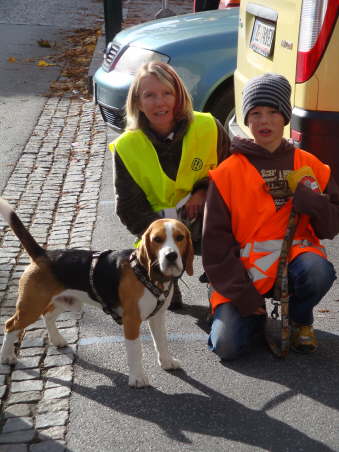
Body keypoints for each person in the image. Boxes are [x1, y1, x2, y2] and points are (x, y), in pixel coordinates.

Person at [202, 73, 339, 360]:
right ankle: (252, 315)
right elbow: (214, 249)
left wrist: (315, 204)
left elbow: (330, 228)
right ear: (247, 120)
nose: (265, 121)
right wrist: (245, 298)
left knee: (318, 270)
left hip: (295, 262)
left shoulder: (308, 164)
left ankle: (300, 318)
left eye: (273, 112)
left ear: (285, 117)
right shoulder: (227, 173)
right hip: (242, 274)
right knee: (226, 347)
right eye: (256, 113)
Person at [109, 61, 230, 310]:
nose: (159, 102)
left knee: (228, 221)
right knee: (162, 304)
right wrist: (162, 240)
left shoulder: (208, 126)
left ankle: (219, 285)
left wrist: (204, 190)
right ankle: (166, 277)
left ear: (179, 96)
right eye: (149, 95)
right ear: (138, 103)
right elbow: (128, 208)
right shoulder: (126, 146)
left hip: (206, 218)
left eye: (167, 93)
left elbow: (233, 174)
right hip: (157, 225)